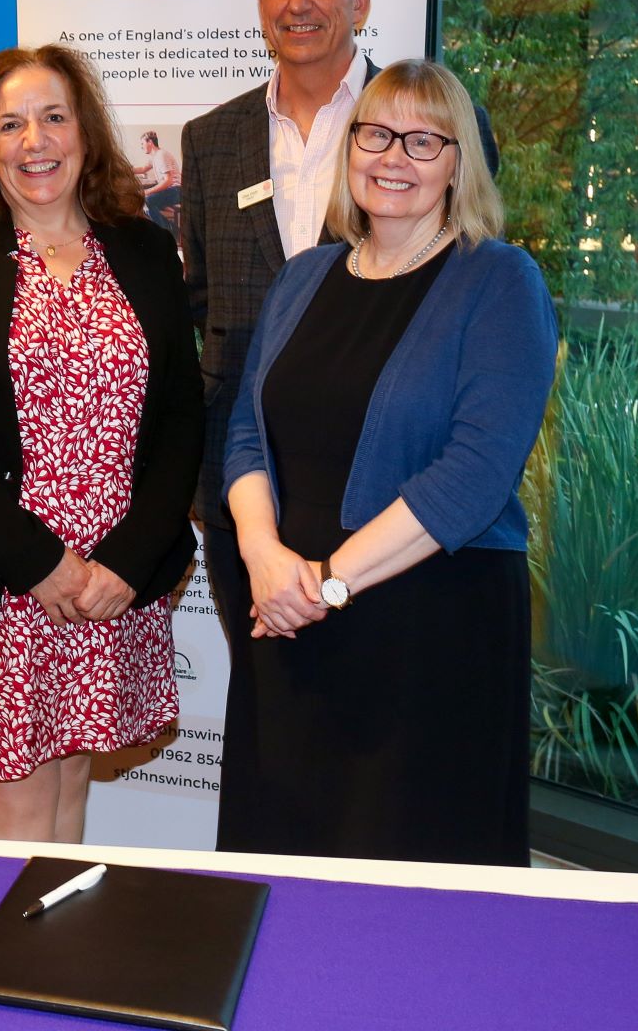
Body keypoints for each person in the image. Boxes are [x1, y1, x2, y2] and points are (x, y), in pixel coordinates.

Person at [180, 0, 497, 850]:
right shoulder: (213, 139)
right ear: (258, 6)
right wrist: (260, 538)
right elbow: (205, 311)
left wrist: (325, 581)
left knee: (390, 789)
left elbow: (468, 307)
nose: (299, 3)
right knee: (285, 749)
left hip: (403, 523)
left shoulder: (435, 118)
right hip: (259, 500)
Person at [219, 59, 555, 865]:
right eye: (376, 133)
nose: (393, 156)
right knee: (283, 868)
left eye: (423, 140)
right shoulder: (305, 277)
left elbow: (474, 475)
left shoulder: (499, 281)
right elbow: (244, 437)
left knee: (405, 891)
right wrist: (266, 560)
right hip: (288, 620)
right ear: (351, 146)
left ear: (459, 162)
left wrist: (326, 584)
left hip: (427, 637)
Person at [0, 44, 203, 843]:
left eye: (54, 118)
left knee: (72, 779)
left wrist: (126, 561)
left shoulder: (148, 251)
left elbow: (183, 417)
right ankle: (6, 961)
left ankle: (53, 956)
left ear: (84, 133)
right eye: (11, 124)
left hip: (109, 579)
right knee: (15, 801)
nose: (35, 141)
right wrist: (38, 563)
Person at [134, 131, 182, 233]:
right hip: (172, 190)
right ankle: (170, 228)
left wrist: (148, 191)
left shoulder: (161, 155)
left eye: (142, 144)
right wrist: (125, 169)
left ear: (150, 142)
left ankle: (165, 231)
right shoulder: (154, 157)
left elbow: (168, 181)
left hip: (176, 190)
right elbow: (143, 168)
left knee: (146, 200)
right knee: (147, 202)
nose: (141, 147)